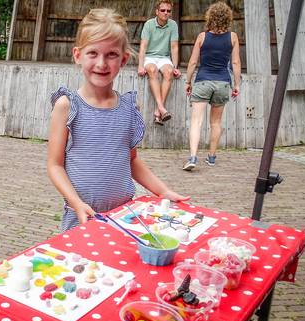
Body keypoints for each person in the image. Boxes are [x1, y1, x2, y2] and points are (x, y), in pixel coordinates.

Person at [47, 8, 189, 232]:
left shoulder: (128, 108)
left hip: (124, 217)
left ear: (123, 59)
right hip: (81, 217)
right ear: (77, 55)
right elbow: (55, 165)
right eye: (93, 53)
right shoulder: (67, 106)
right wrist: (76, 203)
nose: (102, 63)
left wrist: (163, 191)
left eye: (111, 54)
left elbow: (132, 161)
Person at [183, 1, 241, 171]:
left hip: (202, 81)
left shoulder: (202, 37)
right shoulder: (233, 37)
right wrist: (237, 84)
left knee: (196, 121)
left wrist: (188, 81)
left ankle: (193, 157)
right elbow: (236, 62)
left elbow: (193, 62)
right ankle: (212, 157)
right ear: (227, 18)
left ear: (210, 17)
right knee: (216, 122)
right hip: (223, 82)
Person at [137, 0, 181, 125]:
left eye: (168, 11)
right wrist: (140, 66)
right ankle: (162, 108)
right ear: (157, 11)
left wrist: (175, 66)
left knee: (169, 72)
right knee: (152, 70)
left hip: (164, 58)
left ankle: (158, 110)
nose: (166, 13)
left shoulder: (173, 25)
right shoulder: (149, 24)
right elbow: (143, 47)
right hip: (149, 57)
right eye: (163, 10)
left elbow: (174, 47)